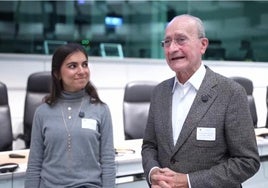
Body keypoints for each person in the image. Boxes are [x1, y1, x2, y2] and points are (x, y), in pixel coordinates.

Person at [141, 14, 260, 188]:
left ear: (203, 45)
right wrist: (153, 174)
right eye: (167, 42)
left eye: (181, 40)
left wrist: (189, 182)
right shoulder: (159, 93)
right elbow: (149, 146)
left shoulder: (231, 93)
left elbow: (247, 161)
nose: (172, 48)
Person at [25, 43, 116, 188]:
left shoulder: (101, 110)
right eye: (73, 66)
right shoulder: (42, 112)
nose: (82, 71)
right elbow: (34, 164)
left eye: (84, 64)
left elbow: (108, 163)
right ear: (57, 74)